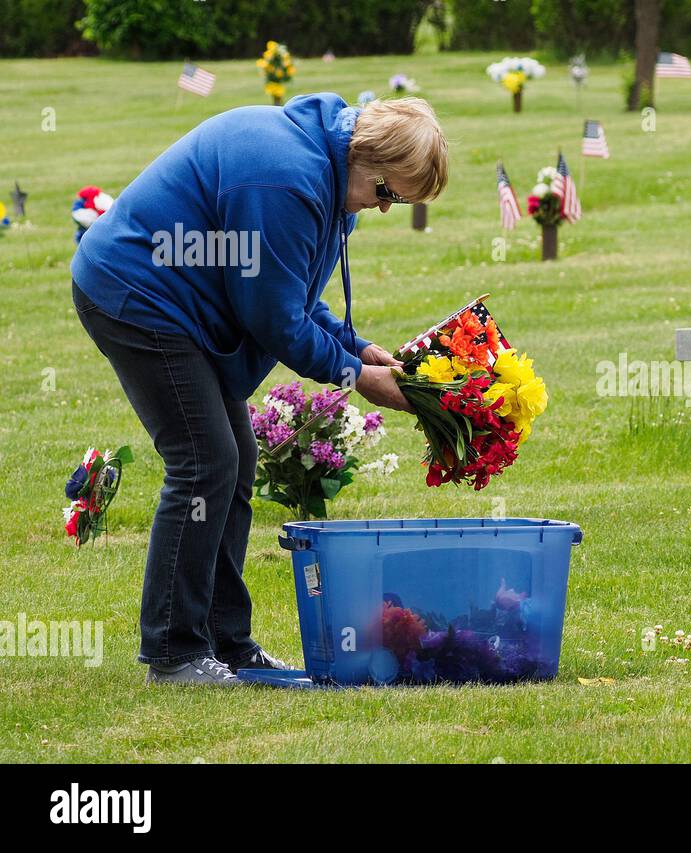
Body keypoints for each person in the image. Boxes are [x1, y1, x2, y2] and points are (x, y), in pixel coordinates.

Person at [71, 94, 447, 685]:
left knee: (236, 458)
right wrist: (358, 379)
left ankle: (227, 643)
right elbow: (274, 320)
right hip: (135, 295)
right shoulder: (285, 180)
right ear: (366, 158)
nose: (383, 209)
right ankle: (174, 653)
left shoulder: (328, 175)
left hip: (176, 304)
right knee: (204, 461)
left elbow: (293, 296)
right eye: (386, 193)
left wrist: (359, 348)